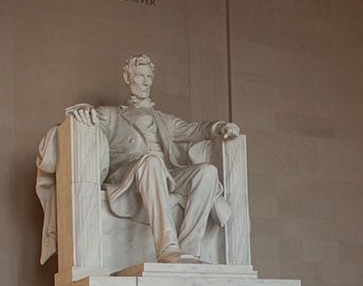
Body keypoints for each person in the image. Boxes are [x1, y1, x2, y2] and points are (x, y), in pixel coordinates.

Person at [63, 54, 240, 263]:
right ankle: (167, 248)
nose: (146, 81)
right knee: (151, 161)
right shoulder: (111, 115)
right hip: (128, 175)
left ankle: (190, 250)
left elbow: (196, 130)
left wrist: (220, 127)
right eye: (140, 76)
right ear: (128, 78)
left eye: (149, 76)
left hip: (164, 174)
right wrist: (82, 109)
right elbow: (78, 114)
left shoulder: (166, 120)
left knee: (207, 172)